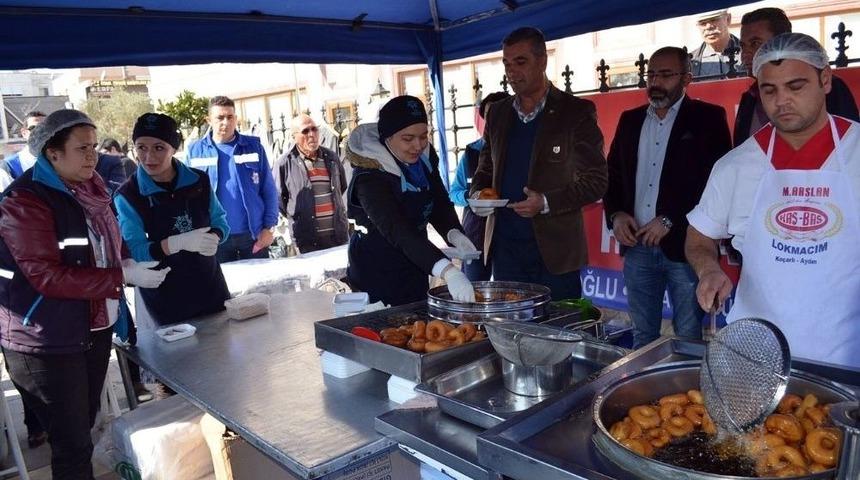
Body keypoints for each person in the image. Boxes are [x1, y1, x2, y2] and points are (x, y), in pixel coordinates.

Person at [0, 109, 167, 478]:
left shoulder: (92, 192)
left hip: (90, 326)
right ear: (52, 153)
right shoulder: (25, 202)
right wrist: (120, 276)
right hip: (43, 337)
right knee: (71, 444)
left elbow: (109, 245)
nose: (93, 155)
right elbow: (47, 276)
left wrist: (126, 264)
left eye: (94, 146)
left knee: (82, 429)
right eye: (82, 148)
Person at [686, 33, 860, 368]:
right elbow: (699, 235)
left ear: (825, 80)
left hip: (845, 357)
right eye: (770, 90)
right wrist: (708, 270)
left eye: (796, 87)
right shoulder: (736, 165)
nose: (782, 101)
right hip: (753, 355)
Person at [604, 47, 732, 348]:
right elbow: (612, 175)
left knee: (687, 337)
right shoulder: (630, 120)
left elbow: (715, 184)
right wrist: (617, 214)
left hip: (687, 248)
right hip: (637, 247)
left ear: (687, 78)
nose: (655, 82)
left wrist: (670, 218)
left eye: (665, 74)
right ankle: (640, 392)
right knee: (642, 335)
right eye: (650, 74)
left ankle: (683, 394)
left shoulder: (708, 118)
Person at [470, 27, 607, 300]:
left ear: (543, 61)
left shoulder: (575, 112)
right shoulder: (497, 112)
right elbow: (485, 168)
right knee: (512, 334)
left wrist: (545, 202)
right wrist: (477, 194)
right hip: (506, 250)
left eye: (520, 62)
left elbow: (597, 182)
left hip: (556, 253)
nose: (512, 72)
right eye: (507, 64)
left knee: (557, 333)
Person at [345, 95, 476, 305]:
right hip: (376, 271)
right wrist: (448, 271)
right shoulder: (369, 176)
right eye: (408, 139)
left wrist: (454, 233)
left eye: (424, 136)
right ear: (387, 137)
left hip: (416, 263)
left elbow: (439, 202)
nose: (418, 145)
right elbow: (397, 229)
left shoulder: (423, 158)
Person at [115, 113, 231, 325]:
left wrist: (215, 236)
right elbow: (135, 249)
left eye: (159, 147)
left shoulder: (199, 181)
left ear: (174, 149)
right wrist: (175, 244)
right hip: (164, 295)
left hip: (210, 285)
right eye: (141, 147)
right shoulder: (128, 195)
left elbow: (220, 220)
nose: (149, 157)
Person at [734, 7, 859, 145]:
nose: (745, 54)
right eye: (743, 46)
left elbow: (850, 141)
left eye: (755, 44)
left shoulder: (831, 88)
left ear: (782, 41)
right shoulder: (749, 98)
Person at [185, 96, 278, 263]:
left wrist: (268, 228)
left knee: (261, 287)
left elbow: (269, 190)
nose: (225, 122)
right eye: (220, 117)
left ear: (236, 118)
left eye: (230, 117)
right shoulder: (195, 151)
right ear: (209, 120)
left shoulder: (253, 146)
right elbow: (186, 197)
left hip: (253, 235)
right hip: (215, 238)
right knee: (222, 288)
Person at [449, 91, 510, 282]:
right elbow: (454, 193)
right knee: (473, 287)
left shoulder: (519, 149)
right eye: (489, 116)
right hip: (475, 231)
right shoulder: (471, 153)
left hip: (508, 231)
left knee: (507, 289)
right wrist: (473, 196)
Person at [273, 114, 349, 253]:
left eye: (314, 129)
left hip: (337, 236)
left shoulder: (331, 157)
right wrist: (301, 215)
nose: (312, 134)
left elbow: (341, 187)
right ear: (294, 136)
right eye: (305, 131)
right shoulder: (284, 163)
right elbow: (279, 200)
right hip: (306, 240)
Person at [689, 10, 744, 78]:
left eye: (714, 20)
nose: (708, 26)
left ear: (728, 19)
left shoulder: (751, 53)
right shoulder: (690, 62)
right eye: (702, 23)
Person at [2, 110, 46, 179]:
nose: (40, 132)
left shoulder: (63, 161)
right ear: (24, 133)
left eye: (45, 128)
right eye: (34, 128)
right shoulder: (9, 166)